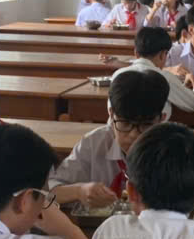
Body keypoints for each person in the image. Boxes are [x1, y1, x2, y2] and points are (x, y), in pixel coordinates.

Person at [51, 71, 170, 206]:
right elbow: (48, 192)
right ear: (111, 114)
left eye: (145, 125)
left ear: (161, 119)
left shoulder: (175, 149)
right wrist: (79, 191)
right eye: (125, 123)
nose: (133, 135)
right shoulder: (93, 143)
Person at [107, 26, 194, 116]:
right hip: (151, 130)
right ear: (162, 55)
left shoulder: (118, 74)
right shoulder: (163, 77)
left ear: (136, 53)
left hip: (118, 128)